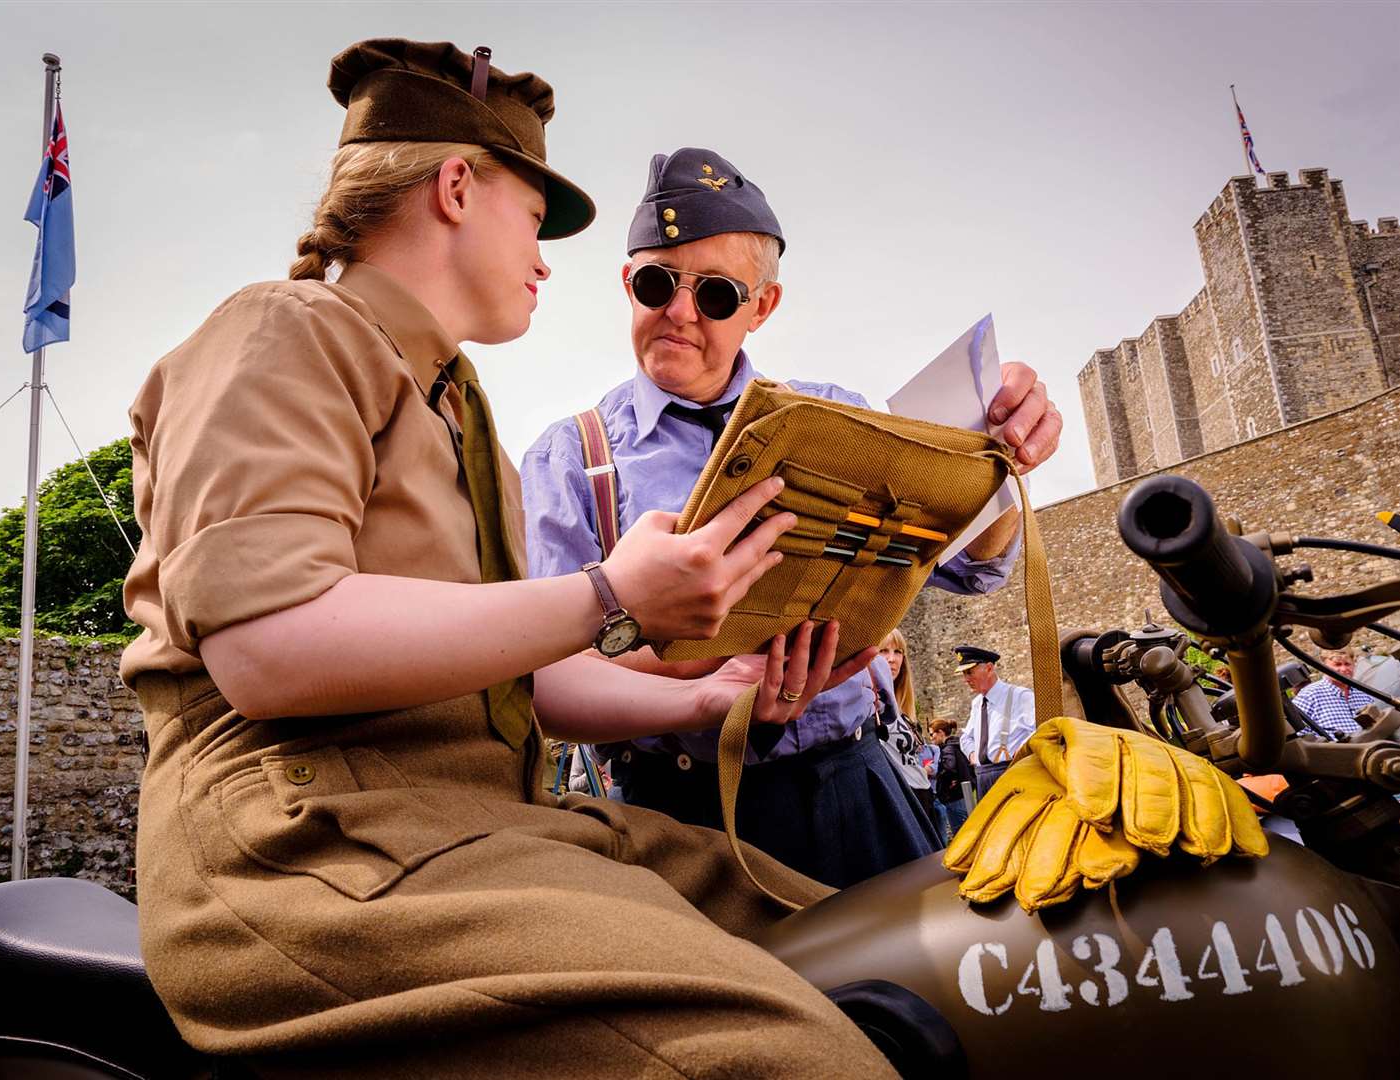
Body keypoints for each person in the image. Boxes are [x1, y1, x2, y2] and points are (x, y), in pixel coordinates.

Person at [120, 40, 899, 1079]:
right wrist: (611, 593)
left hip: (482, 825)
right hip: (307, 846)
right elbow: (269, 649)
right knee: (790, 1059)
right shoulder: (286, 328)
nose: (544, 258)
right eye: (534, 221)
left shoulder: (456, 406)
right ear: (455, 187)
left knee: (891, 953)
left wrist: (714, 698)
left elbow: (526, 678)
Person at [522, 146, 1063, 888]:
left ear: (761, 306)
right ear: (627, 283)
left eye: (714, 294)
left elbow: (968, 569)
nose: (679, 313)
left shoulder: (838, 414)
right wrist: (708, 676)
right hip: (683, 812)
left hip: (860, 783)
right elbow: (548, 677)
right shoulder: (570, 460)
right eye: (657, 283)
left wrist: (999, 456)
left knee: (921, 999)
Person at [875, 628, 938, 829]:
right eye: (883, 651)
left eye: (898, 652)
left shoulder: (901, 708)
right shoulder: (867, 705)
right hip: (900, 800)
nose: (892, 659)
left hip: (923, 795)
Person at [955, 644, 1036, 797]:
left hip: (1012, 773)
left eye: (970, 672)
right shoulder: (977, 703)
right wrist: (973, 755)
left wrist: (1022, 752)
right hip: (983, 776)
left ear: (989, 668)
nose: (966, 679)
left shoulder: (1020, 696)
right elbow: (966, 737)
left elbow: (1040, 730)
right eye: (964, 674)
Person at [1293, 648, 1378, 735]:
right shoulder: (1308, 696)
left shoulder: (1364, 694)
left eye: (1347, 664)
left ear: (1354, 664)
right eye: (1337, 665)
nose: (1344, 669)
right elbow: (1299, 739)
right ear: (1323, 666)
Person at [929, 716, 973, 841]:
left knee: (961, 837)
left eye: (932, 734)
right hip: (964, 793)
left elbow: (949, 768)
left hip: (954, 796)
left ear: (941, 733)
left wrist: (945, 782)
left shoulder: (948, 749)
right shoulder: (959, 745)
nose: (931, 738)